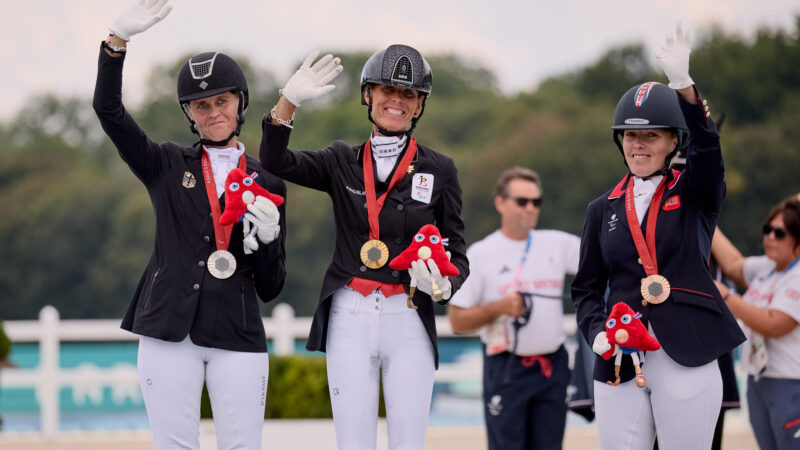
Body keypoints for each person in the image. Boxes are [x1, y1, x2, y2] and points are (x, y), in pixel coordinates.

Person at [93, 1, 287, 448]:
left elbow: (272, 286)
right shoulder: (163, 163)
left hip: (236, 330)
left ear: (240, 103)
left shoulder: (269, 177)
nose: (213, 112)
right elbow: (108, 111)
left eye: (221, 101)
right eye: (201, 105)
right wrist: (115, 45)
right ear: (189, 113)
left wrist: (270, 238)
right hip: (166, 329)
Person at [260, 45, 469, 449]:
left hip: (408, 314)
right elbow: (274, 161)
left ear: (420, 104)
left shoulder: (439, 169)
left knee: (408, 441)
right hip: (350, 313)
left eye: (408, 94)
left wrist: (445, 285)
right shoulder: (341, 160)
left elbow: (457, 251)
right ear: (367, 95)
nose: (396, 100)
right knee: (353, 440)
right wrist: (289, 101)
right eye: (387, 89)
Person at [571, 25, 745, 449]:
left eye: (651, 135)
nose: (639, 144)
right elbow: (586, 289)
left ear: (672, 141)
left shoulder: (695, 194)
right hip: (620, 358)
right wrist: (597, 332)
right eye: (631, 135)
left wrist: (685, 90)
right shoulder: (602, 209)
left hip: (688, 352)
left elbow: (708, 150)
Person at [448, 167, 580, 450]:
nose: (531, 208)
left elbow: (606, 260)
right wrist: (499, 308)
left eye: (536, 202)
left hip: (551, 366)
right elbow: (458, 321)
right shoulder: (482, 253)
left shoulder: (556, 243)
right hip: (506, 366)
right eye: (522, 201)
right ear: (500, 203)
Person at [711, 194, 800, 449]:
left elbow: (774, 324)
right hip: (759, 381)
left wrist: (728, 297)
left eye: (780, 233)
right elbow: (733, 264)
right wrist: (701, 214)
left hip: (791, 383)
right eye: (768, 229)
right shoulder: (769, 267)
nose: (770, 236)